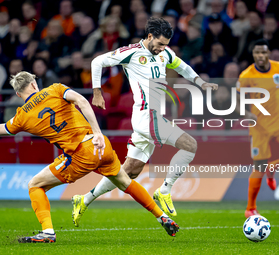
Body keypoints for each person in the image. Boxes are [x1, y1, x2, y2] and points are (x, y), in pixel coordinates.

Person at [0, 71, 179, 243]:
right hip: (100, 146)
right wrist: (99, 134)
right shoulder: (55, 89)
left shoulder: (22, 116)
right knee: (124, 182)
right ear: (35, 84)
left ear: (18, 94)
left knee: (35, 185)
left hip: (80, 154)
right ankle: (162, 217)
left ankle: (47, 232)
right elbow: (83, 102)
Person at [72, 17, 218, 226]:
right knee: (190, 145)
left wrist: (201, 83)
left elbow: (183, 67)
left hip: (152, 118)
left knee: (131, 170)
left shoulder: (165, 52)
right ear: (149, 36)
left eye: (166, 45)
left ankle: (83, 200)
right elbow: (97, 61)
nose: (162, 49)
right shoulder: (131, 52)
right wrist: (97, 91)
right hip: (146, 116)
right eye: (159, 44)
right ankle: (164, 190)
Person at [236, 39, 279, 218]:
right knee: (259, 166)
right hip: (259, 126)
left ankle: (274, 167)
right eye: (257, 53)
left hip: (278, 121)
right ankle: (250, 208)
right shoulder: (246, 76)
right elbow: (238, 102)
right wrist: (246, 114)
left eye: (264, 52)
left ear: (268, 53)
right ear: (253, 55)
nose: (260, 56)